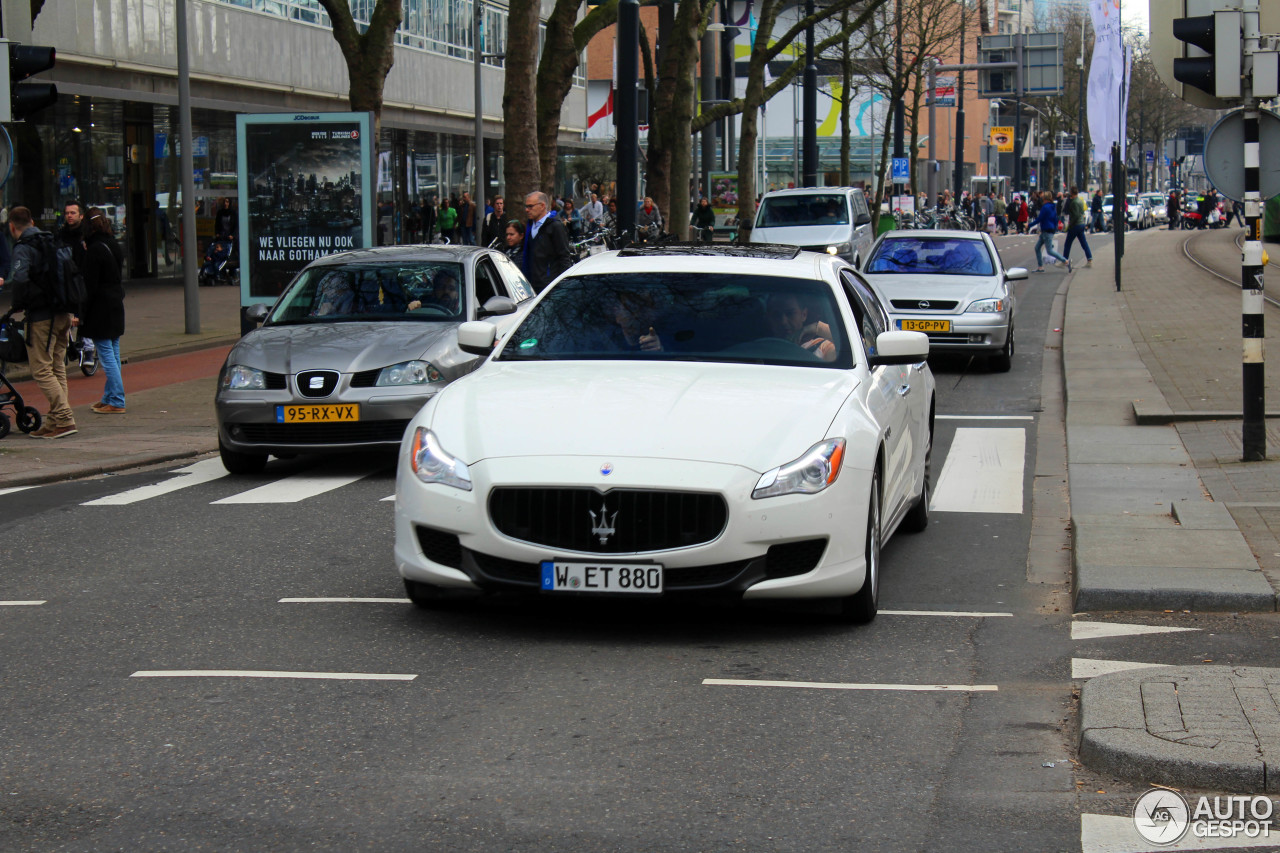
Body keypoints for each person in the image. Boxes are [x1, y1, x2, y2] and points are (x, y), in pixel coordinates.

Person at [9, 206, 76, 438]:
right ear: (32, 220)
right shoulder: (50, 239)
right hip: (64, 312)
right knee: (57, 367)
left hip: (41, 316)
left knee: (41, 370)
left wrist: (17, 303)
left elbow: (19, 279)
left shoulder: (24, 248)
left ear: (11, 226)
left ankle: (65, 418)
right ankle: (55, 422)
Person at [80, 208, 127, 414]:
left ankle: (116, 399)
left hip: (101, 307)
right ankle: (109, 396)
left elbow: (89, 285)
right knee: (113, 352)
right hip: (115, 303)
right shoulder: (114, 244)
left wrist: (81, 311)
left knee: (107, 355)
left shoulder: (95, 249)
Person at [522, 191, 574, 292]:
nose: (527, 210)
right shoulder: (529, 226)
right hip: (532, 286)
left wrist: (562, 286)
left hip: (549, 287)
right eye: (526, 206)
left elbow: (564, 257)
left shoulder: (555, 226)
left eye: (530, 206)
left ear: (542, 206)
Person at [1033, 192, 1070, 272]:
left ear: (1045, 199)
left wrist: (1029, 225)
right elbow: (1055, 219)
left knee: (1049, 251)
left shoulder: (1045, 207)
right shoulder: (1053, 207)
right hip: (1049, 230)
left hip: (1046, 230)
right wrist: (1055, 228)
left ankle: (1065, 261)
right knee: (1037, 248)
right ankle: (1040, 267)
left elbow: (1039, 218)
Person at [1062, 186, 1092, 268]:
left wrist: (1070, 225)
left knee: (1068, 243)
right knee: (1083, 243)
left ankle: (1064, 260)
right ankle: (1089, 258)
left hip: (1075, 225)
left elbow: (1075, 215)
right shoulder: (1080, 200)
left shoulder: (1074, 202)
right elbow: (1081, 211)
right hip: (1081, 224)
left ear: (1071, 193)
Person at [59, 200, 88, 270]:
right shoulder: (60, 235)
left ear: (81, 216)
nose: (69, 216)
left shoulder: (87, 235)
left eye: (73, 213)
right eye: (67, 213)